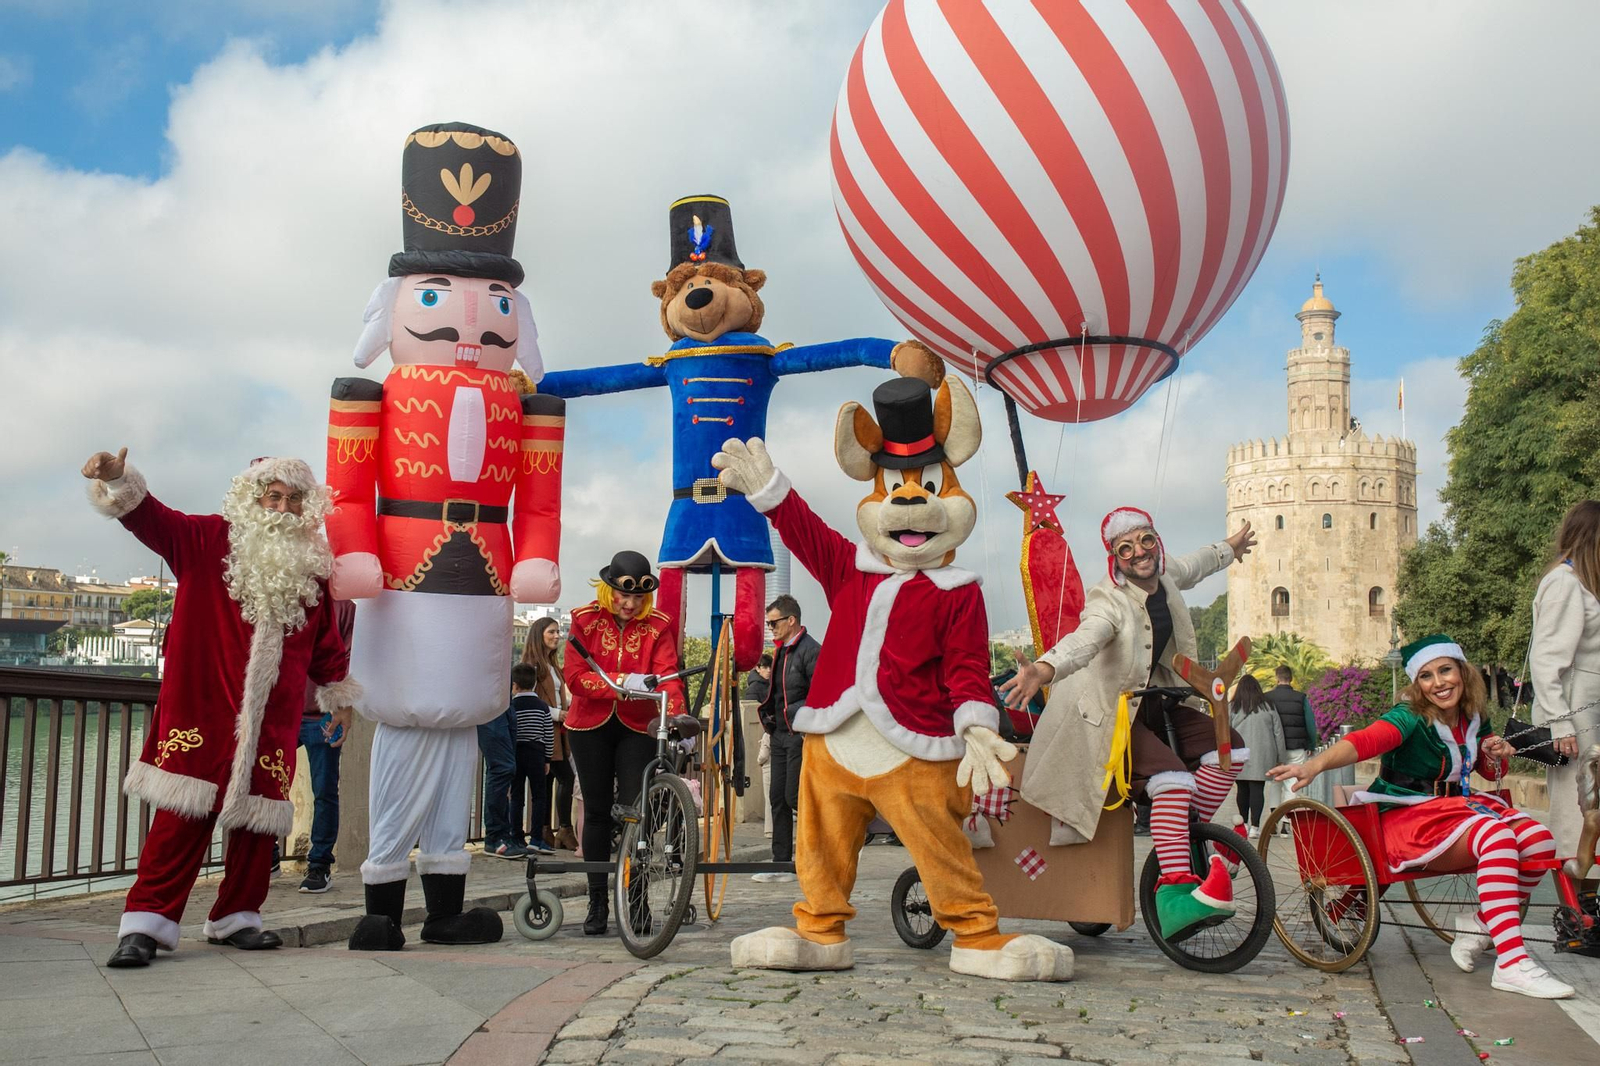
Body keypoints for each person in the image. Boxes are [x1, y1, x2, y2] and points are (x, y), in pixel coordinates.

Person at [83, 449, 358, 968]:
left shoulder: (313, 570)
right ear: (252, 500)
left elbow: (326, 645)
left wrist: (337, 697)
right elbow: (149, 517)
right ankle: (146, 924)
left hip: (274, 716)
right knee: (180, 818)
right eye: (273, 497)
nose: (282, 508)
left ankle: (238, 917)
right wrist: (117, 477)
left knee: (258, 823)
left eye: (293, 500)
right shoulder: (206, 538)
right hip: (202, 708)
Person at [1269, 636, 1572, 999]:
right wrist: (1316, 764)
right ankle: (1511, 963)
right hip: (1406, 816)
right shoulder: (1409, 716)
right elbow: (1366, 740)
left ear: (1462, 671)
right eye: (1427, 676)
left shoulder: (1474, 715)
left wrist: (1496, 753)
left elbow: (1489, 773)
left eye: (1445, 671)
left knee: (1540, 841)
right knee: (1497, 838)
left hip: (1458, 808)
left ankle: (1478, 924)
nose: (1439, 683)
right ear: (1417, 683)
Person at [1006, 507, 1258, 942]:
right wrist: (1045, 669)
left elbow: (1196, 564)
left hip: (1157, 697)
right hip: (1111, 711)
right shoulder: (1109, 600)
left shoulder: (1167, 571)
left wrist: (1229, 550)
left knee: (1230, 748)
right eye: (1126, 548)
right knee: (1173, 779)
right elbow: (1083, 641)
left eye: (1145, 541)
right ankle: (1175, 894)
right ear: (1115, 558)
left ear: (1156, 542)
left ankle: (1190, 831)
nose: (1139, 553)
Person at [564, 551, 686, 935]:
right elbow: (574, 676)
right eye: (623, 595)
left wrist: (677, 712)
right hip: (589, 725)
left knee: (639, 812)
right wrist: (620, 685)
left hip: (639, 727)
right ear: (609, 590)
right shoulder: (584, 620)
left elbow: (668, 675)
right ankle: (597, 900)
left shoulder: (658, 626)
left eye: (637, 598)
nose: (630, 605)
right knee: (597, 812)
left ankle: (636, 899)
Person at [1530, 500, 1600, 862]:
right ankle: (1578, 913)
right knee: (1578, 814)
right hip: (1575, 717)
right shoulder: (1564, 584)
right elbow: (1546, 660)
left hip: (1590, 713)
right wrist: (1559, 723)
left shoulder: (1585, 585)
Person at [754, 595, 819, 882]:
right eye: (768, 623)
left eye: (774, 622)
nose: (771, 628)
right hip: (779, 733)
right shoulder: (781, 651)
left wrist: (796, 715)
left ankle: (812, 859)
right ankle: (781, 863)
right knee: (776, 797)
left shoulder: (811, 650)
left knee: (796, 797)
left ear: (791, 620)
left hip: (800, 735)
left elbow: (821, 694)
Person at [298, 598, 356, 893]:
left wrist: (343, 706)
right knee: (262, 785)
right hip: (280, 709)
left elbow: (347, 658)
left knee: (324, 791)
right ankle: (264, 854)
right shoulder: (285, 595)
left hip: (324, 715)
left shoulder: (344, 607)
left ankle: (319, 864)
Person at [522, 616, 577, 850]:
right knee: (566, 777)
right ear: (539, 635)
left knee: (550, 779)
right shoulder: (533, 666)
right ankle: (562, 828)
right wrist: (557, 713)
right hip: (545, 730)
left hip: (556, 732)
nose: (557, 636)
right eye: (551, 632)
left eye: (557, 632)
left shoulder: (552, 665)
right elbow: (526, 698)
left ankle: (546, 830)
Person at [1264, 665, 1319, 829]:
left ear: (1276, 677)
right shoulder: (1301, 697)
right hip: (1296, 747)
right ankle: (1286, 823)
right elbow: (1310, 723)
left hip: (1274, 749)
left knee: (1275, 782)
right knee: (1291, 784)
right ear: (1291, 678)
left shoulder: (1267, 698)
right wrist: (1311, 744)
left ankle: (1273, 819)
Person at [509, 663, 555, 856]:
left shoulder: (512, 706)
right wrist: (547, 758)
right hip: (536, 752)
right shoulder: (542, 707)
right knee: (539, 796)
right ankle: (536, 838)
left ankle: (517, 837)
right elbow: (548, 734)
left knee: (516, 796)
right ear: (535, 684)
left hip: (517, 752)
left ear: (515, 686)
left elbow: (510, 732)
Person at [1231, 675, 1282, 838]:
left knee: (1242, 789)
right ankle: (1255, 826)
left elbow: (1225, 731)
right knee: (1257, 789)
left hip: (1239, 753)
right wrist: (1281, 757)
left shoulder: (1232, 707)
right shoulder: (1269, 706)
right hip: (1263, 753)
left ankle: (1243, 824)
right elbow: (1278, 733)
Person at [476, 704, 523, 861]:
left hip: (503, 703)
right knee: (502, 767)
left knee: (505, 769)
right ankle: (495, 837)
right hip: (488, 702)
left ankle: (503, 834)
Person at [745, 653, 774, 839]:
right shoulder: (755, 688)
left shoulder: (768, 685)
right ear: (758, 668)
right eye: (765, 667)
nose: (769, 671)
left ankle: (771, 828)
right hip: (766, 737)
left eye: (770, 667)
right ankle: (770, 828)